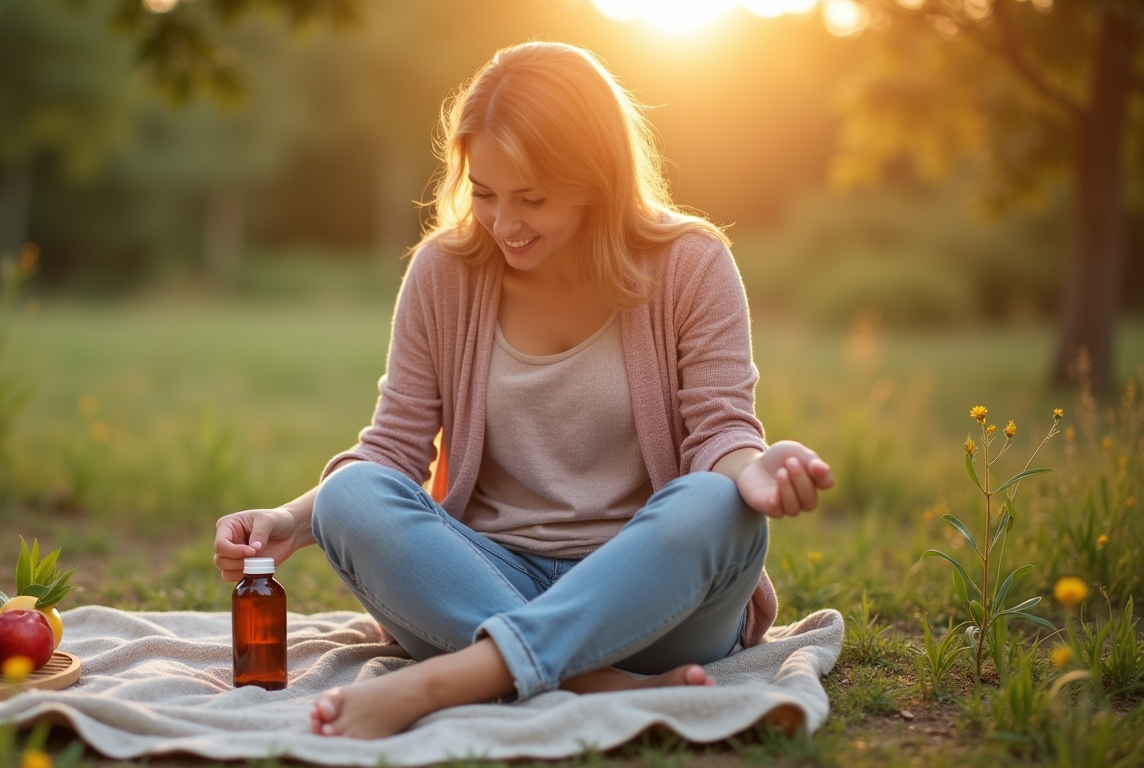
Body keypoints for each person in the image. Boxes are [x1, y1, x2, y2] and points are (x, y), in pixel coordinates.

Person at [213, 40, 834, 739]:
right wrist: (290, 523)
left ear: (595, 177)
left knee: (715, 504)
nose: (504, 224)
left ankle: (453, 679)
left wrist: (756, 474)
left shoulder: (691, 266)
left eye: (531, 199)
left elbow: (721, 433)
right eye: (483, 194)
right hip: (482, 586)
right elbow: (391, 448)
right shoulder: (444, 274)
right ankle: (594, 684)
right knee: (349, 494)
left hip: (648, 602)